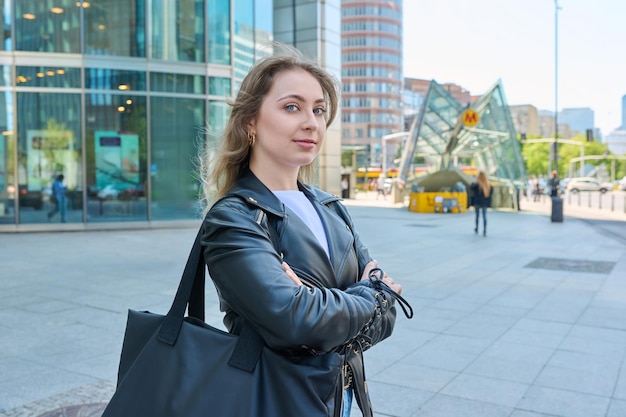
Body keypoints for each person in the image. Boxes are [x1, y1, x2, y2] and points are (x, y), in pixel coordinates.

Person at [198, 49, 405, 417]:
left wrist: (325, 305)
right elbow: (295, 322)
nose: (311, 122)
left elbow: (387, 318)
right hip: (274, 399)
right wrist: (373, 292)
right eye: (292, 107)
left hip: (343, 399)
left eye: (319, 110)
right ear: (251, 122)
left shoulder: (330, 207)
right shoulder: (234, 218)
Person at [470, 171, 492, 236]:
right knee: (484, 216)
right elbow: (490, 194)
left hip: (477, 202)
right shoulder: (487, 185)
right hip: (484, 203)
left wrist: (474, 181)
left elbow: (471, 187)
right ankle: (484, 230)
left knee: (477, 216)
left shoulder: (477, 184)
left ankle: (476, 228)